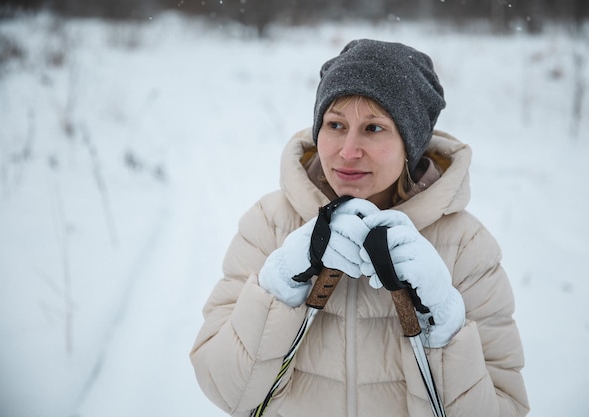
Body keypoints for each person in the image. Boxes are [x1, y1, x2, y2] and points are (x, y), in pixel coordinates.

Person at [190, 39, 530, 417]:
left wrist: (444, 322)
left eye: (373, 128)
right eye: (335, 125)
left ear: (410, 143)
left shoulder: (466, 246)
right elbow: (225, 391)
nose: (348, 151)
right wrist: (281, 283)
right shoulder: (270, 224)